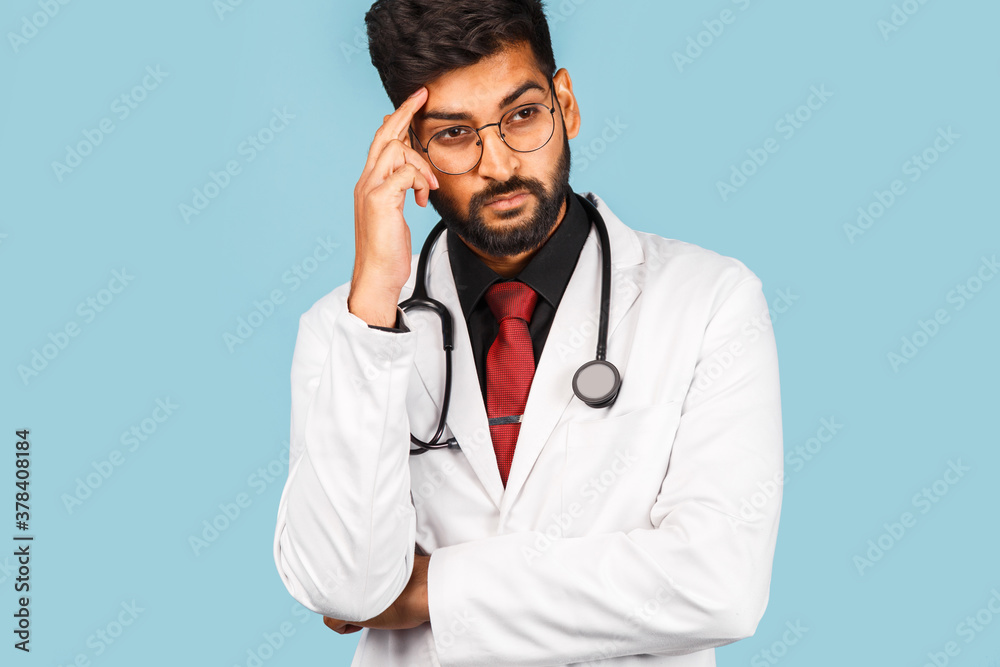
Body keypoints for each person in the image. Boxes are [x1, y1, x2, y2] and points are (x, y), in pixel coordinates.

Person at [272, 1, 784, 664]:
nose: (500, 163)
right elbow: (342, 585)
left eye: (522, 115)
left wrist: (432, 587)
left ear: (564, 104)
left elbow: (720, 585)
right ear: (409, 152)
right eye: (455, 134)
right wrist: (373, 295)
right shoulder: (347, 330)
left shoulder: (707, 300)